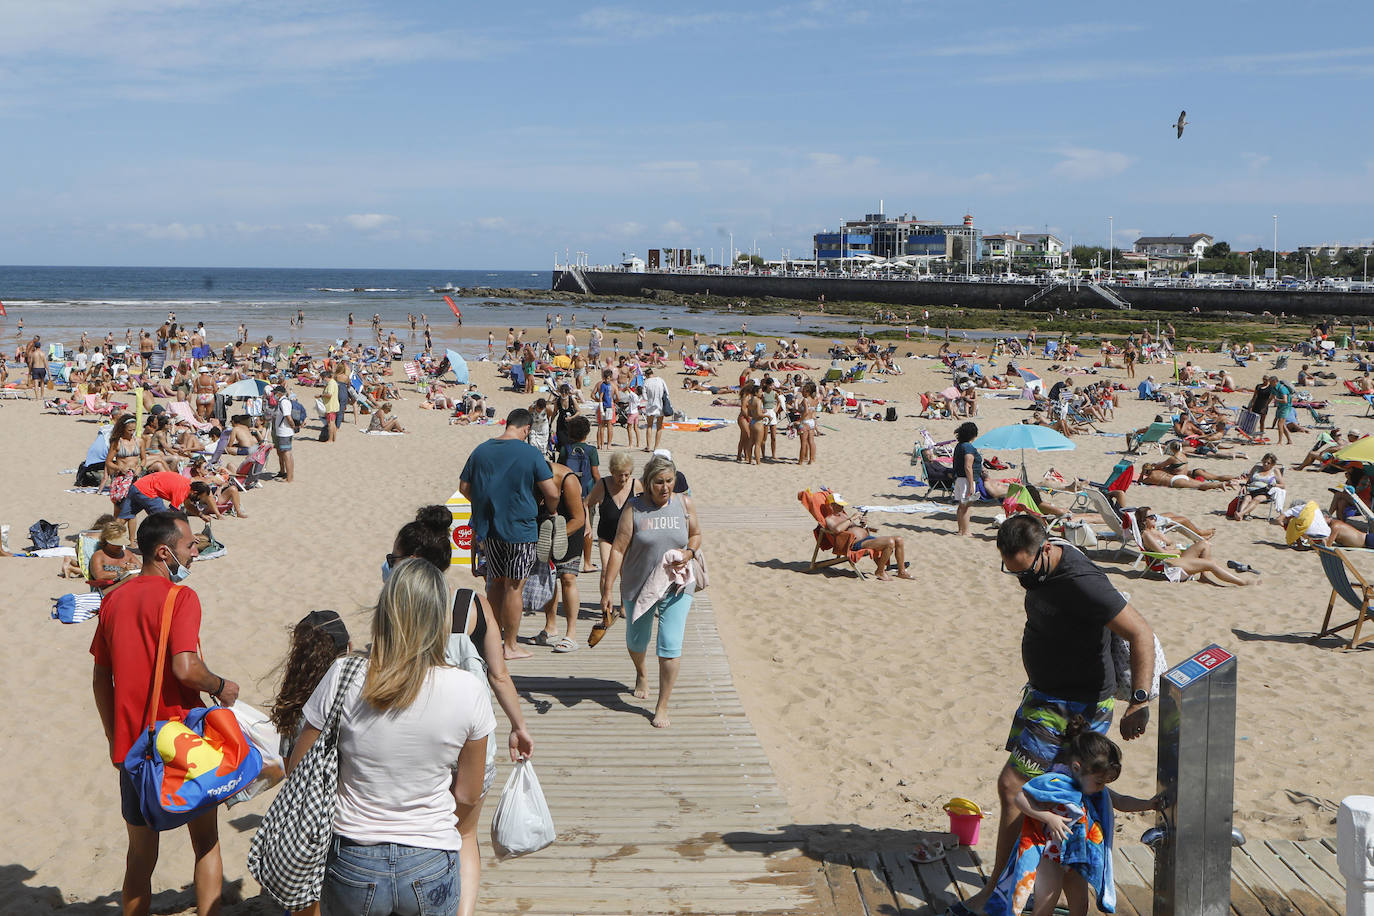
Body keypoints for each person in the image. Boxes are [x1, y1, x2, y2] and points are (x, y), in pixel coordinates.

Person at [958, 515, 1156, 916]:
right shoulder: (1039, 571)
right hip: (1046, 696)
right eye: (1012, 572)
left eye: (1025, 571)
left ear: (1046, 549)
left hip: (1073, 705)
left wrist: (1138, 700)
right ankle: (1038, 885)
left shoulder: (1082, 581)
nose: (1022, 580)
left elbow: (1141, 632)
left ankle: (1000, 891)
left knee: (1016, 785)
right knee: (1063, 794)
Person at [286, 559, 495, 915]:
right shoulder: (468, 688)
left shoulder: (345, 674)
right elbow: (468, 794)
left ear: (385, 612)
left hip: (354, 856)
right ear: (440, 618)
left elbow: (297, 769)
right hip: (429, 857)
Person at [384, 507, 534, 916]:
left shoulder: (398, 609)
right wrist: (519, 726)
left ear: (411, 564)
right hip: (468, 739)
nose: (388, 566)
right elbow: (499, 675)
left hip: (416, 742)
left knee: (414, 833)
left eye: (393, 560)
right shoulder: (471, 603)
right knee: (465, 835)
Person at [90, 510, 240, 916]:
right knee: (205, 840)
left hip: (132, 747)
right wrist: (223, 687)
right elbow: (186, 668)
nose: (195, 552)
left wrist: (112, 736)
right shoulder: (181, 597)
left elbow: (101, 679)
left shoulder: (115, 598)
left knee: (140, 855)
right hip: (180, 742)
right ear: (163, 552)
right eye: (190, 545)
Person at [985, 720, 1162, 916]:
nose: (1102, 787)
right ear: (1077, 768)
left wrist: (1149, 804)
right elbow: (1021, 798)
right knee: (1044, 907)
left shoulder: (1095, 789)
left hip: (1078, 857)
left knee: (1081, 907)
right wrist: (1048, 818)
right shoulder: (1054, 783)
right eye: (1099, 782)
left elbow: (1121, 801)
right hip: (1050, 857)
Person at [598, 454, 702, 728]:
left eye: (669, 481)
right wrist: (607, 588)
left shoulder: (685, 504)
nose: (665, 487)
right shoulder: (634, 510)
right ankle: (641, 672)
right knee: (636, 642)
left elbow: (696, 535)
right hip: (638, 583)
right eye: (658, 482)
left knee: (669, 645)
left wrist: (689, 552)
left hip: (676, 583)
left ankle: (662, 705)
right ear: (647, 482)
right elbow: (618, 549)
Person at [459, 408, 559, 660]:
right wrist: (550, 510)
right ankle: (510, 645)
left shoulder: (481, 450)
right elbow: (552, 492)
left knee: (496, 582)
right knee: (515, 587)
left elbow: (464, 488)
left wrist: (483, 504)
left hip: (489, 528)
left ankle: (489, 639)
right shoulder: (530, 453)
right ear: (526, 429)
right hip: (521, 529)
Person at [534, 458, 588, 653]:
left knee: (567, 577)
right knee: (548, 577)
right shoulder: (532, 479)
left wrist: (558, 536)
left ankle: (571, 634)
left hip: (569, 528)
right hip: (545, 527)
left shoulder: (568, 480)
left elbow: (579, 518)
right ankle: (550, 626)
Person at [1134, 509, 1258, 585]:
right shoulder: (1146, 534)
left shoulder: (1155, 531)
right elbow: (1162, 551)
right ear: (1144, 521)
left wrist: (1167, 543)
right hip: (1167, 563)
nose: (1155, 518)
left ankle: (1204, 577)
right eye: (1151, 517)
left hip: (1175, 557)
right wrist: (1176, 549)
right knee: (1211, 564)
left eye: (1154, 516)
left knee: (1204, 544)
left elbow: (1170, 542)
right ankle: (1242, 582)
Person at [820, 498, 915, 581]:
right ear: (832, 505)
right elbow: (837, 530)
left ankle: (901, 571)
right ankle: (880, 571)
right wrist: (852, 518)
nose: (842, 508)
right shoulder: (830, 519)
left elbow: (852, 527)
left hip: (867, 538)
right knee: (889, 542)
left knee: (899, 539)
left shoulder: (843, 515)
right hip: (855, 543)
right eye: (840, 505)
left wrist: (863, 525)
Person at [117, 470, 216, 544]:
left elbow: (187, 505)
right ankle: (154, 545)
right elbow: (173, 515)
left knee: (123, 517)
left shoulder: (186, 485)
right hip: (148, 492)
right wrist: (188, 534)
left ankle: (107, 538)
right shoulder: (182, 490)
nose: (198, 500)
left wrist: (201, 515)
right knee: (163, 520)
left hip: (137, 486)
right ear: (195, 492)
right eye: (199, 497)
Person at [953, 422, 1008, 537]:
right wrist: (972, 485)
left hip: (959, 479)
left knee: (961, 506)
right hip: (966, 480)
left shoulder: (959, 445)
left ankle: (960, 530)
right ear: (973, 434)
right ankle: (966, 531)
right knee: (967, 506)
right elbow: (968, 466)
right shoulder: (968, 447)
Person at [1234, 454, 1285, 520]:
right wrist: (1244, 486)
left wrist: (1274, 485)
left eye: (1268, 463)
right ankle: (1241, 515)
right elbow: (1248, 480)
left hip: (1265, 492)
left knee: (1256, 499)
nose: (1265, 464)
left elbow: (1283, 485)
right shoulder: (1256, 468)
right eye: (1264, 462)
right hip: (1252, 490)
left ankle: (1241, 514)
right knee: (1246, 498)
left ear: (1272, 464)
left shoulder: (1275, 471)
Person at [641, 366, 669, 453]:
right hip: (660, 404)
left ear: (646, 375)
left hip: (650, 405)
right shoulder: (660, 380)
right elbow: (667, 392)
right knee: (659, 427)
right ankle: (656, 447)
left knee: (649, 426)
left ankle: (648, 446)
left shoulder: (646, 382)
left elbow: (644, 396)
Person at [321, 367, 340, 443]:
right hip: (332, 405)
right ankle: (334, 439)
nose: (323, 380)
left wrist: (321, 395)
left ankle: (330, 439)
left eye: (323, 378)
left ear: (326, 377)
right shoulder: (332, 383)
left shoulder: (331, 383)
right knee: (333, 423)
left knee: (330, 423)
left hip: (331, 406)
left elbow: (329, 395)